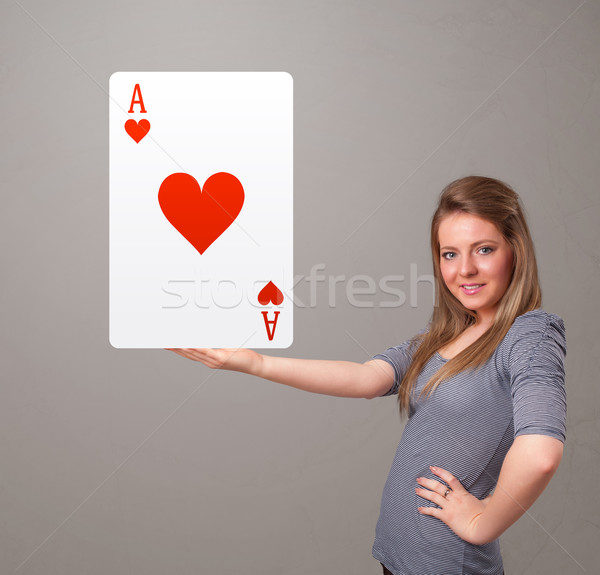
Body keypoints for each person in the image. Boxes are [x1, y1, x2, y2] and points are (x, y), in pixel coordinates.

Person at [167, 175, 566, 575]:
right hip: (398, 558)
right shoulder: (445, 337)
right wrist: (253, 362)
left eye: (484, 249)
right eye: (449, 254)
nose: (465, 269)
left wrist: (483, 522)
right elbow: (365, 378)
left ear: (515, 250)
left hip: (446, 565)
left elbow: (541, 454)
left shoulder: (529, 334)